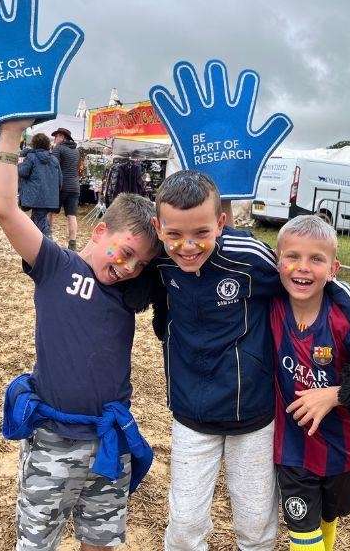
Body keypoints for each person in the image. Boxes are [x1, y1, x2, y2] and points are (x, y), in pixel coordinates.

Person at [0, 119, 162, 550]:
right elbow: (6, 210)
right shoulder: (55, 265)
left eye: (139, 264)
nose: (128, 268)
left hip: (109, 440)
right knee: (36, 542)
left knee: (102, 543)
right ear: (99, 230)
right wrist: (11, 136)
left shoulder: (129, 292)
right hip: (53, 440)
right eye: (125, 253)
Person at [151, 170, 281, 551]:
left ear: (221, 223)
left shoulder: (252, 257)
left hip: (254, 414)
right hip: (191, 414)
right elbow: (113, 267)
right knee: (185, 526)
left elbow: (308, 283)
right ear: (158, 227)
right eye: (174, 234)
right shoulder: (157, 260)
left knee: (256, 526)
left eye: (201, 233)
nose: (187, 246)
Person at [271, 215, 350, 551]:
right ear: (278, 262)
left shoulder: (348, 321)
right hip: (291, 447)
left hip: (341, 448)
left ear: (333, 269)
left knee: (329, 516)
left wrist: (335, 395)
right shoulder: (269, 304)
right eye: (292, 256)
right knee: (302, 531)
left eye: (316, 259)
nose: (302, 267)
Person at [18, 133, 61, 237]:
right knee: (36, 220)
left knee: (41, 223)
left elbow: (23, 172)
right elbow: (60, 180)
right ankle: (33, 242)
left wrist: (20, 163)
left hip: (36, 196)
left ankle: (50, 245)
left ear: (34, 144)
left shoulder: (31, 157)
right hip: (50, 197)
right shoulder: (54, 159)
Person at [49, 127, 81, 250]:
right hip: (74, 186)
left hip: (60, 186)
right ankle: (72, 243)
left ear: (62, 137)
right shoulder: (76, 151)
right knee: (72, 216)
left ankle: (48, 237)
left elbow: (53, 167)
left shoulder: (59, 148)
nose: (55, 138)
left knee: (49, 211)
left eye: (57, 136)